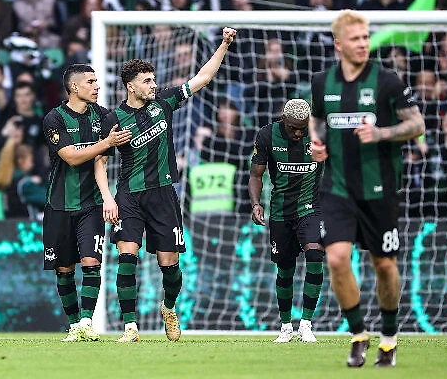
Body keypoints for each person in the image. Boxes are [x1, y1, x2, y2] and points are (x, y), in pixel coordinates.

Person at [98, 27, 237, 342]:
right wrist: (108, 197)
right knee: (127, 257)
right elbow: (100, 162)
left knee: (169, 265)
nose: (154, 85)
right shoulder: (113, 119)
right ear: (131, 86)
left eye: (154, 79)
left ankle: (169, 307)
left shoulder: (164, 102)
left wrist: (224, 44)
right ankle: (130, 327)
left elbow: (202, 78)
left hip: (163, 195)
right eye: (147, 81)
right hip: (129, 196)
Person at [309, 10, 425, 367]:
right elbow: (317, 118)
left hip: (380, 189)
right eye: (356, 39)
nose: (364, 44)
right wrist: (316, 141)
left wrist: (381, 133)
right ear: (339, 44)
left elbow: (417, 124)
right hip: (337, 188)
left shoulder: (387, 80)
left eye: (366, 37)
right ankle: (358, 334)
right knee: (336, 258)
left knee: (384, 266)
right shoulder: (321, 82)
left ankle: (388, 338)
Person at [42, 64, 132, 342]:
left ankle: (86, 321)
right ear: (74, 87)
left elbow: (101, 160)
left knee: (91, 261)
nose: (97, 86)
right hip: (58, 205)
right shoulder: (54, 118)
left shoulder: (103, 116)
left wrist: (108, 196)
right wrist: (106, 143)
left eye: (97, 81)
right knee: (64, 270)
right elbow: (71, 157)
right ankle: (73, 325)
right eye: (91, 82)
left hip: (91, 204)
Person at [248, 99, 325, 343]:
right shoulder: (267, 135)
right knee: (285, 268)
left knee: (315, 255)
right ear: (283, 119)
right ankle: (286, 326)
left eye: (303, 128)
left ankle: (306, 324)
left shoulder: (321, 132)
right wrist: (256, 204)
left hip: (310, 208)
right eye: (293, 128)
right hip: (280, 212)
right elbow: (256, 175)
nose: (299, 133)